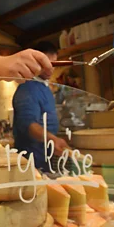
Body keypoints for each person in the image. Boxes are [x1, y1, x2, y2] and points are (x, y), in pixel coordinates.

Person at [12, 41, 69, 173]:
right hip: (32, 160)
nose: (50, 68)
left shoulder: (45, 87)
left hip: (46, 155)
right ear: (35, 63)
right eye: (45, 64)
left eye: (53, 64)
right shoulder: (27, 88)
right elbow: (28, 124)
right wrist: (53, 139)